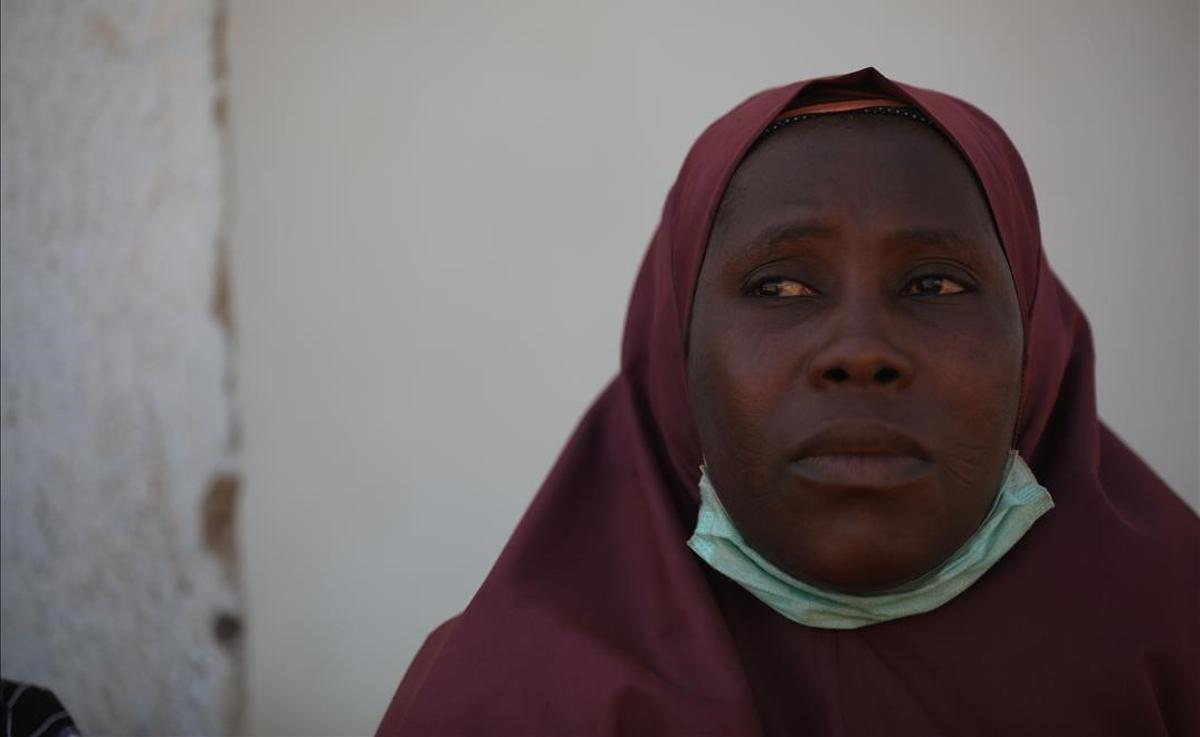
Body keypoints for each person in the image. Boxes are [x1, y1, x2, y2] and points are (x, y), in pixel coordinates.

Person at [377, 67, 1199, 735]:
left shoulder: (1176, 643)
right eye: (780, 285)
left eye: (936, 283)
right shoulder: (508, 704)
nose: (860, 352)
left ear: (1036, 344)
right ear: (677, 354)